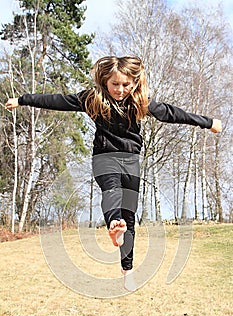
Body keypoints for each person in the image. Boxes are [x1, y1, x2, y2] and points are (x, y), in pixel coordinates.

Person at [5, 55, 222, 292]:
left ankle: (126, 268)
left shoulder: (141, 102)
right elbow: (57, 100)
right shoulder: (93, 98)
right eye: (115, 84)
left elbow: (172, 114)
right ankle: (113, 223)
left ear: (134, 83)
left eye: (126, 85)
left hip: (131, 161)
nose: (120, 90)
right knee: (111, 191)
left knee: (130, 215)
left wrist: (207, 122)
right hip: (104, 158)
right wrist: (22, 100)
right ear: (105, 82)